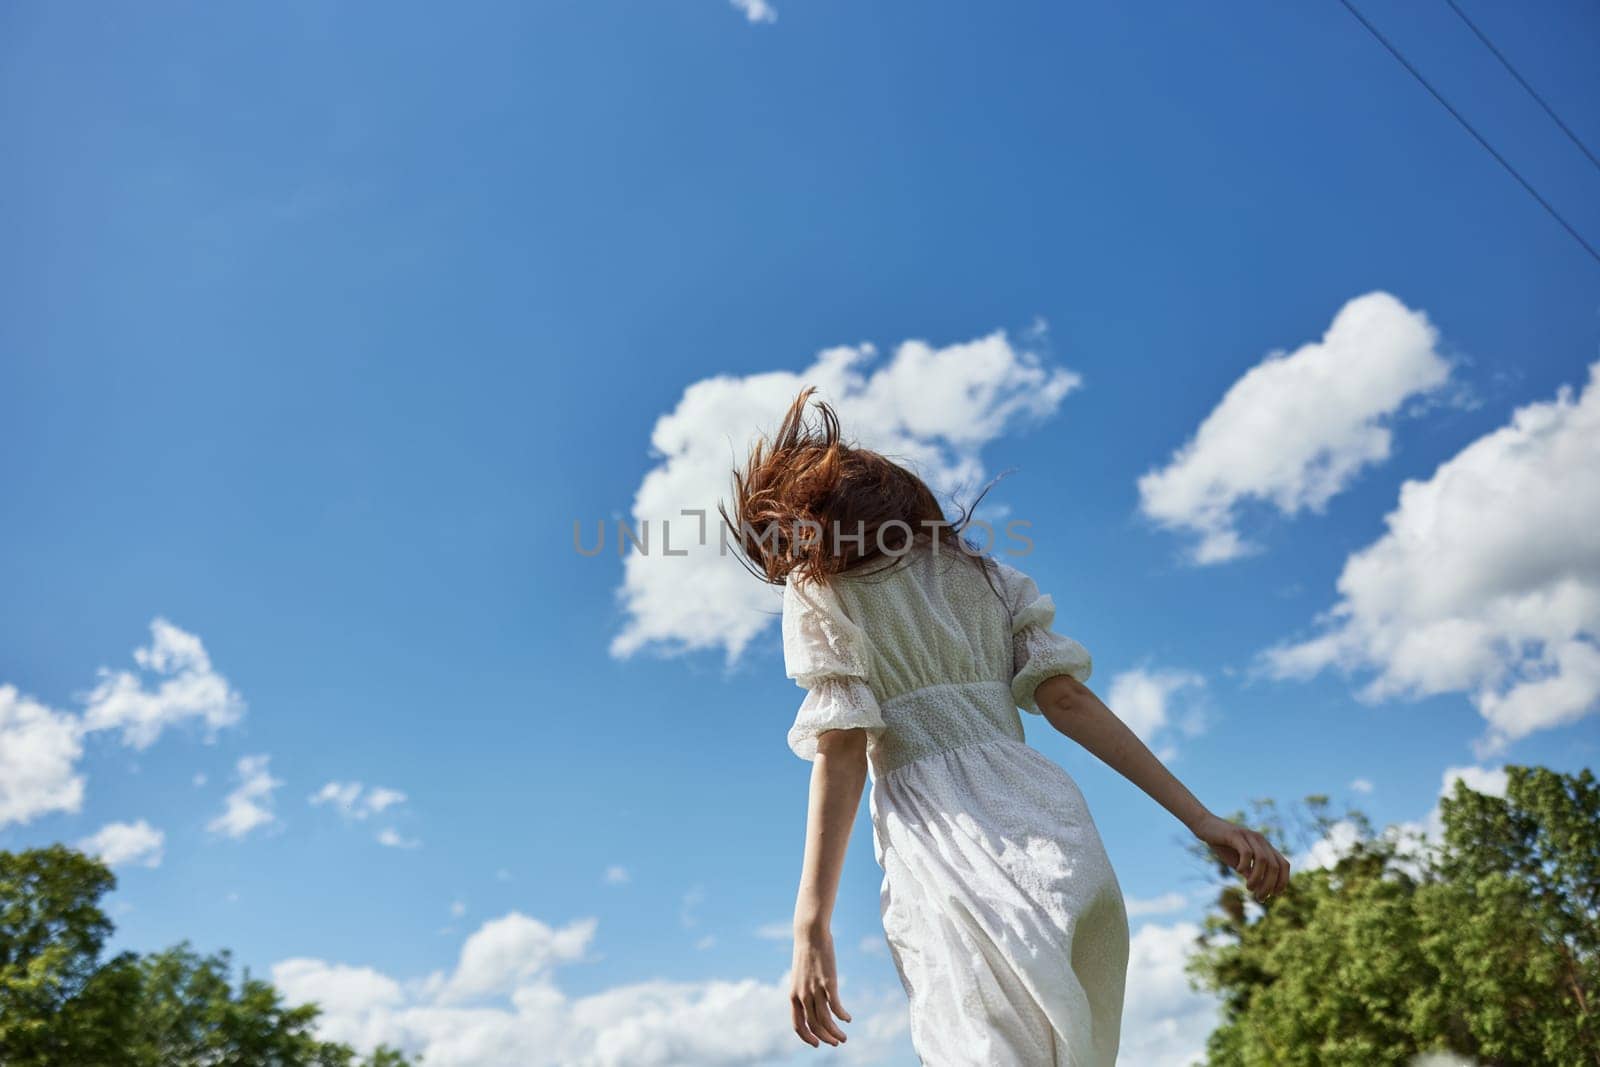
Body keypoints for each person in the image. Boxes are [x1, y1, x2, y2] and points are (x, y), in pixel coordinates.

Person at [720, 386, 1291, 1065]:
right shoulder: (990, 577)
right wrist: (1203, 820)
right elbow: (1069, 702)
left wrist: (809, 925)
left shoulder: (820, 592)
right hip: (1055, 837)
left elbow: (841, 749)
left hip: (947, 848)